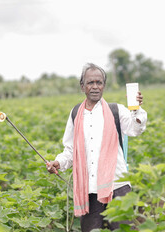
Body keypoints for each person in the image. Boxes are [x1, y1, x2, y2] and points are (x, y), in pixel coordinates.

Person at [47, 63, 147, 231]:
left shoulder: (116, 110)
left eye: (99, 82)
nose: (95, 87)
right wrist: (59, 162)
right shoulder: (76, 114)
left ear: (104, 86)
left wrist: (136, 110)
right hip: (90, 190)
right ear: (82, 86)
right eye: (90, 83)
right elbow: (70, 150)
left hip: (117, 186)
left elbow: (136, 130)